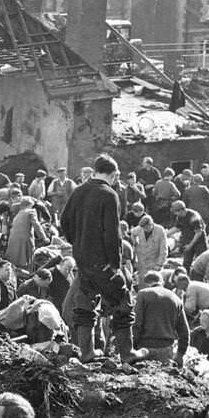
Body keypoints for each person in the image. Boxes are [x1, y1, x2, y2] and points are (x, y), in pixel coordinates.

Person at [61, 154, 137, 367]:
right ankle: (127, 353)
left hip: (82, 259)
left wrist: (77, 243)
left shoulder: (78, 191)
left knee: (85, 303)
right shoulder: (109, 194)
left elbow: (64, 221)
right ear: (113, 175)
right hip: (102, 261)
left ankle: (86, 352)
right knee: (122, 300)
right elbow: (112, 233)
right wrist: (114, 264)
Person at [133, 271, 190, 366]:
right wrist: (180, 354)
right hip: (166, 349)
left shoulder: (142, 294)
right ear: (162, 282)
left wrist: (132, 347)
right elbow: (184, 331)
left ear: (146, 284)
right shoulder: (175, 298)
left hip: (144, 348)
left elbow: (136, 324)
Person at [132, 214, 168, 281]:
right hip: (142, 262)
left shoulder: (160, 230)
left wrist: (160, 264)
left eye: (146, 228)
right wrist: (134, 242)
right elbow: (132, 233)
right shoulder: (139, 229)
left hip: (154, 263)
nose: (144, 230)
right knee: (142, 284)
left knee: (155, 282)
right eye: (143, 228)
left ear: (151, 224)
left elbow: (164, 248)